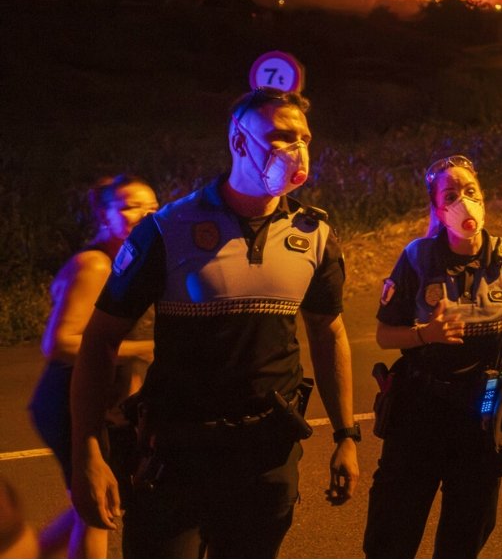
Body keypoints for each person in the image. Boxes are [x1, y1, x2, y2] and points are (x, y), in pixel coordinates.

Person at [70, 87, 358, 558]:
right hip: (178, 454)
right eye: (282, 136)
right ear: (239, 142)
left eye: (304, 137)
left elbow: (329, 332)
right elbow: (100, 338)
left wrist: (347, 435)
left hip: (267, 455)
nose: (298, 149)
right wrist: (88, 451)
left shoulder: (316, 236)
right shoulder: (168, 229)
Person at [363, 154, 502, 559]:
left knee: (466, 532)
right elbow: (385, 335)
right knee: (393, 530)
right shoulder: (418, 257)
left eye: (470, 191)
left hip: (485, 408)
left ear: (484, 197)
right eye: (451, 195)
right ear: (439, 209)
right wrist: (426, 334)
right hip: (420, 410)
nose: (464, 202)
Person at [28, 176, 158, 559]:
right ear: (104, 214)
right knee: (98, 507)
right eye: (130, 206)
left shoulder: (125, 259)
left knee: (96, 501)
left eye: (151, 207)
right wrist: (146, 348)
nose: (144, 214)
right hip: (69, 401)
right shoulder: (95, 264)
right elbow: (59, 342)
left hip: (92, 401)